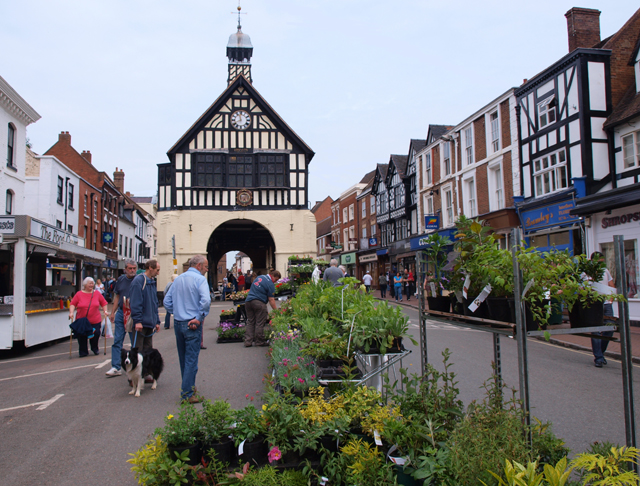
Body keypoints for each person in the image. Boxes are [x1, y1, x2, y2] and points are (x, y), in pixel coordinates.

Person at [164, 255, 211, 403]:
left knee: (183, 358)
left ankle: (189, 386)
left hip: (179, 323)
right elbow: (206, 300)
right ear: (198, 266)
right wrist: (199, 317)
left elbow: (166, 301)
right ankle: (187, 394)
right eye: (205, 267)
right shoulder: (200, 279)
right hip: (192, 324)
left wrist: (176, 311)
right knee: (191, 359)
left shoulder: (178, 279)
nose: (206, 269)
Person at [105, 259, 138, 377]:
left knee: (134, 341)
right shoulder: (121, 280)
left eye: (134, 268)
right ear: (125, 269)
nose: (132, 270)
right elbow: (117, 296)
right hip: (121, 312)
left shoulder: (138, 280)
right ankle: (116, 366)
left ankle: (135, 365)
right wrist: (112, 312)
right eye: (130, 268)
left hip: (133, 312)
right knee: (117, 340)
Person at [69, 277, 108, 357]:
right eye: (90, 283)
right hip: (82, 320)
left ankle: (94, 348)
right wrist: (71, 312)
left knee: (96, 334)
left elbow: (104, 303)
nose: (91, 285)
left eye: (92, 283)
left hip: (95, 320)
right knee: (82, 336)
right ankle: (83, 351)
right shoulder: (79, 294)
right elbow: (73, 304)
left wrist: (105, 311)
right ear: (85, 285)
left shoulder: (97, 293)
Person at [589, 252, 616, 368]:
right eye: (598, 261)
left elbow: (611, 285)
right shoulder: (587, 272)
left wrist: (611, 299)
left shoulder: (606, 271)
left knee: (610, 328)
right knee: (595, 331)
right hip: (594, 304)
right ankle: (599, 358)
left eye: (601, 261)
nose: (600, 263)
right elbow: (583, 287)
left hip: (606, 304)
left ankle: (600, 352)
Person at [129, 259, 161, 353]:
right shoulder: (139, 281)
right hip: (141, 323)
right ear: (150, 268)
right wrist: (137, 321)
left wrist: (157, 321)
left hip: (149, 323)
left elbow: (154, 303)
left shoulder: (151, 282)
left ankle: (146, 368)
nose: (158, 273)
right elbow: (135, 303)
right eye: (157, 270)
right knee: (138, 353)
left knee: (148, 352)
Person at [244, 269, 281, 347]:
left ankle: (248, 341)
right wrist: (276, 311)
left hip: (248, 301)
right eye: (276, 279)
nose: (275, 282)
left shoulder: (260, 277)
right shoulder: (270, 283)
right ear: (273, 276)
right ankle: (259, 341)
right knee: (259, 323)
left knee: (250, 321)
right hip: (259, 302)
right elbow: (271, 299)